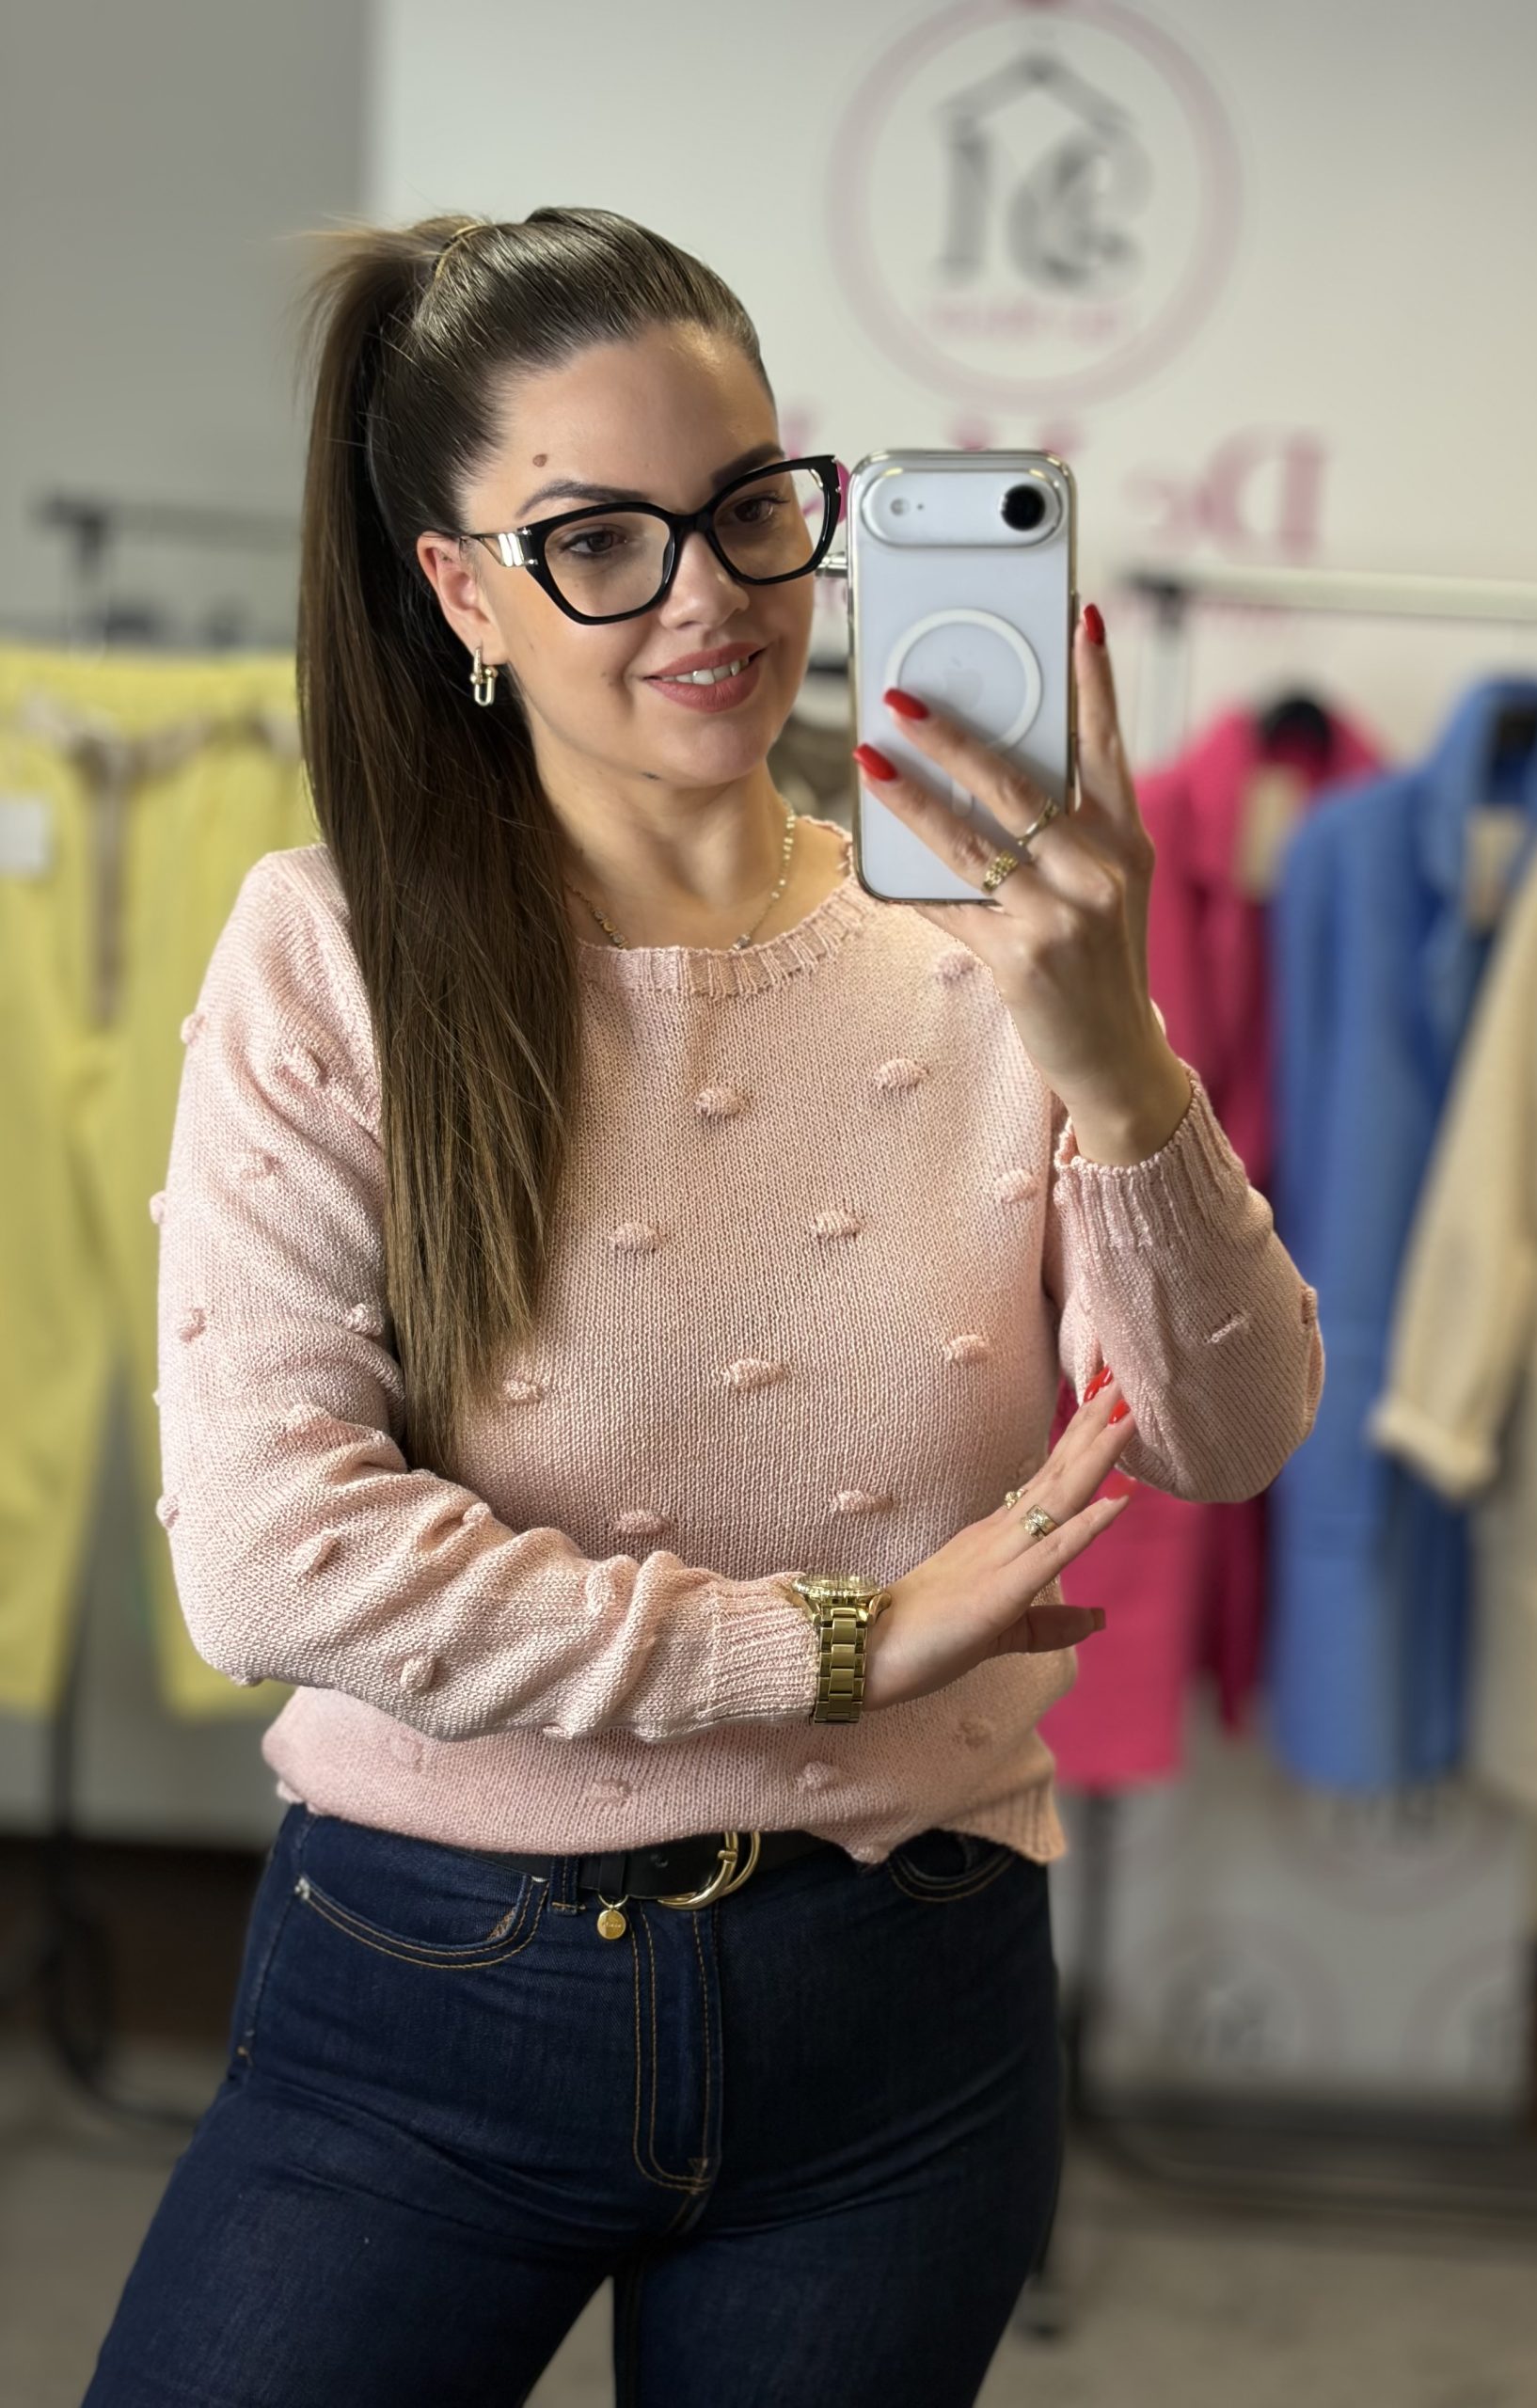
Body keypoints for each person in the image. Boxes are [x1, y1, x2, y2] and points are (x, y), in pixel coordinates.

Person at [84, 208, 1324, 2408]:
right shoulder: (334, 952)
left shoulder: (987, 953)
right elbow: (274, 1557)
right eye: (597, 541)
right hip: (428, 1999)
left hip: (904, 2014)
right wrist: (831, 1640)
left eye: (752, 507)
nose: (711, 596)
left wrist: (1113, 1047)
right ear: (460, 590)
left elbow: (1233, 1430)